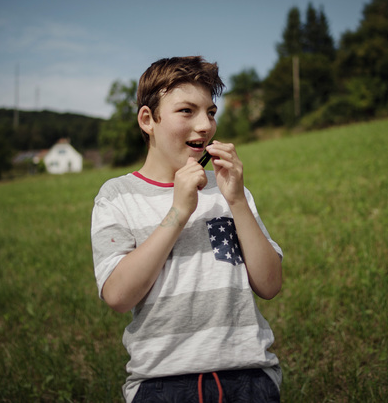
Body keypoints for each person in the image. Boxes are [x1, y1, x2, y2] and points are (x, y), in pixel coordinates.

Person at [91, 56, 283, 402]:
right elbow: (118, 295)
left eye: (210, 112)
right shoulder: (117, 195)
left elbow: (270, 284)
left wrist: (237, 200)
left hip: (248, 375)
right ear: (148, 119)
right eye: (186, 111)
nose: (205, 125)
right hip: (162, 381)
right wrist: (178, 212)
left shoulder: (229, 191)